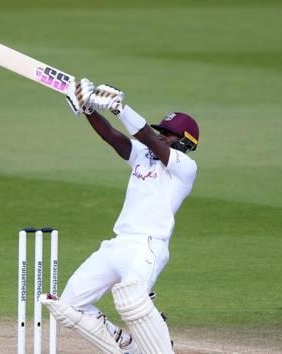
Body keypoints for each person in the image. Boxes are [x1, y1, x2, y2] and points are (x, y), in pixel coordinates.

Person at [41, 79, 199, 354]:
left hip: (148, 246)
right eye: (161, 130)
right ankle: (124, 343)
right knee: (68, 306)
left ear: (186, 143)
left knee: (132, 302)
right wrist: (88, 108)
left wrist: (119, 108)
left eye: (168, 134)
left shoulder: (185, 168)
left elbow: (147, 136)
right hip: (118, 244)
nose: (161, 135)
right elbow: (112, 137)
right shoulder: (141, 155)